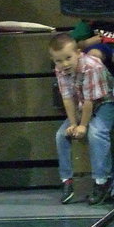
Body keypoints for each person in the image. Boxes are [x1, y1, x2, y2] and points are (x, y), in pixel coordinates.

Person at [49, 32, 114, 205]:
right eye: (59, 60)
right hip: (82, 104)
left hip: (105, 102)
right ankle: (67, 181)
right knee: (61, 135)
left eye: (68, 58)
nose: (64, 64)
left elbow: (89, 102)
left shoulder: (92, 67)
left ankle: (103, 181)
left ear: (78, 52)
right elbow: (67, 98)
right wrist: (72, 124)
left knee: (96, 132)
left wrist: (83, 126)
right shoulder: (60, 69)